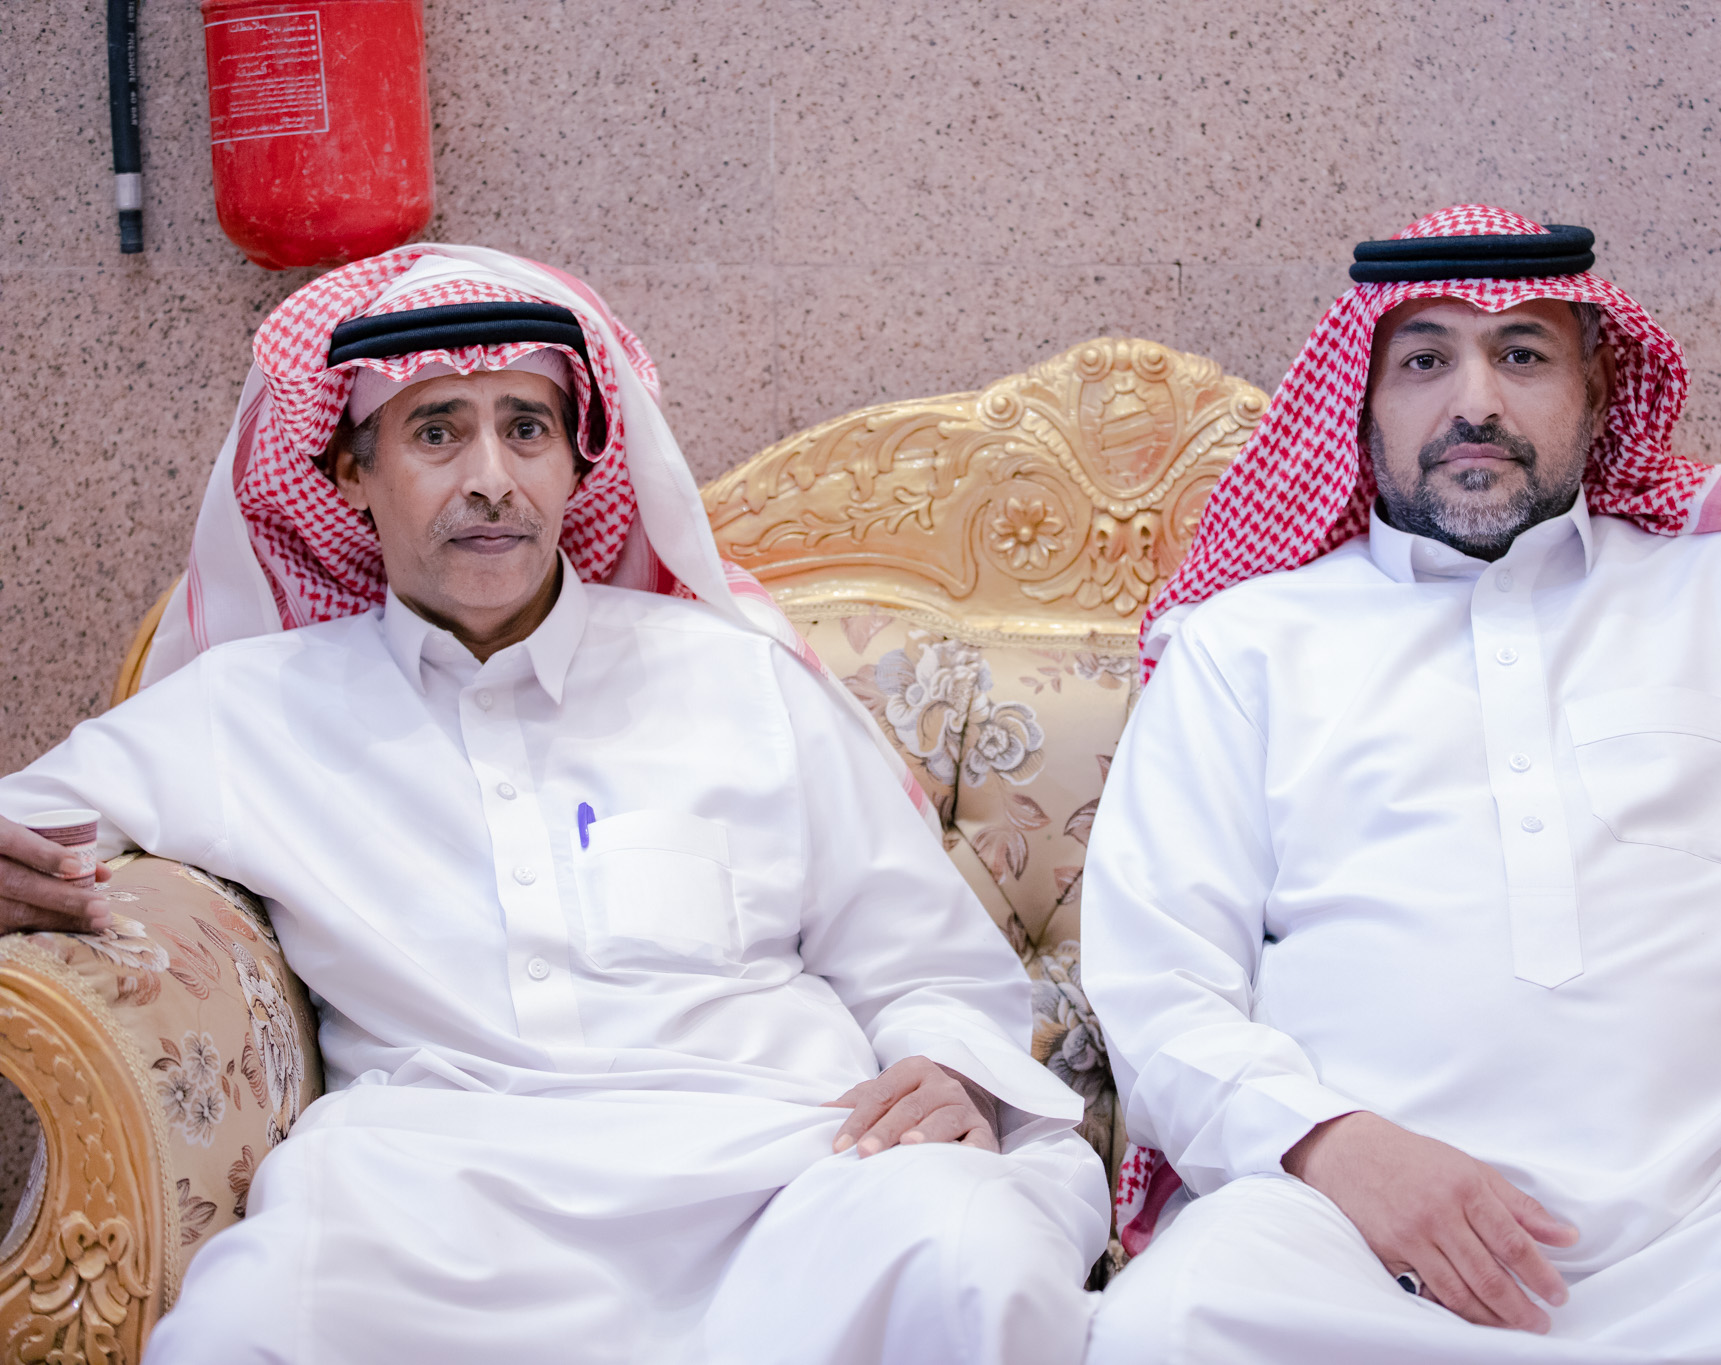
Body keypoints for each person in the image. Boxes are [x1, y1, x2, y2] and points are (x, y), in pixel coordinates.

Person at [0, 246, 1107, 1365]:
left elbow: (924, 958)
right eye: (437, 432)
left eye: (526, 428)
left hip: (786, 1167)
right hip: (432, 1195)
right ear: (350, 472)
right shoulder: (250, 709)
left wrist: (945, 1066)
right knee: (248, 1324)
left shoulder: (738, 679)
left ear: (578, 465)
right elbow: (27, 818)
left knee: (971, 1259)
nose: (492, 477)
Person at [1080, 205, 1721, 1364]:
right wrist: (1330, 1144)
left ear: (1596, 385)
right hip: (1352, 1229)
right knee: (1173, 1329)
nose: (1474, 402)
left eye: (1522, 354)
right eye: (1424, 360)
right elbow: (1158, 983)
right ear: (1361, 398)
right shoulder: (1241, 647)